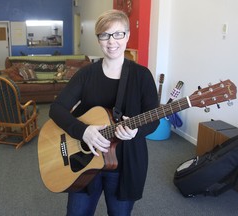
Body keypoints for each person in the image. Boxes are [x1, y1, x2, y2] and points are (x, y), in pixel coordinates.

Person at [49, 9, 159, 216]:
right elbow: (57, 108)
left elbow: (154, 119)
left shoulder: (142, 76)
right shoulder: (86, 74)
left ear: (127, 36)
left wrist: (137, 131)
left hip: (125, 164)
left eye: (118, 34)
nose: (111, 41)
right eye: (105, 35)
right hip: (84, 161)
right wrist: (83, 131)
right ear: (98, 39)